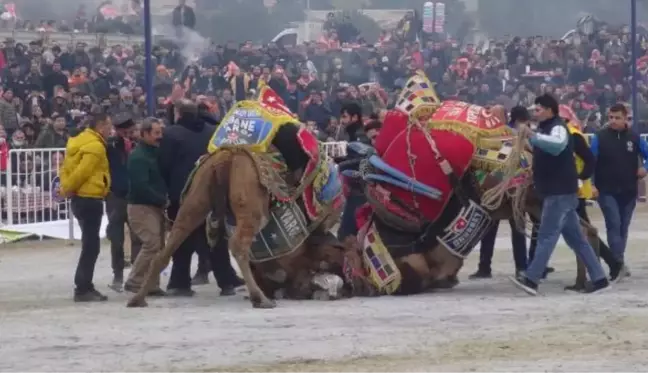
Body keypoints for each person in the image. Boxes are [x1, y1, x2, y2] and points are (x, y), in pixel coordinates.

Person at [510, 94, 609, 295]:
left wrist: (532, 136)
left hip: (559, 192)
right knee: (577, 240)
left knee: (546, 236)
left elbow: (556, 146)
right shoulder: (548, 128)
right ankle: (600, 279)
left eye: (538, 109)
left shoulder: (557, 128)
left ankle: (532, 279)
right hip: (560, 191)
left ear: (549, 110)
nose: (535, 113)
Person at [158, 100, 239, 296]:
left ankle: (180, 282)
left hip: (182, 194)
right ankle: (226, 281)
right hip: (213, 193)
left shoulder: (171, 134)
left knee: (182, 239)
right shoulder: (212, 132)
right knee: (215, 239)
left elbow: (164, 165)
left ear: (178, 113)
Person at [470, 106, 530, 279]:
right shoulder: (483, 137)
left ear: (504, 116)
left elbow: (525, 155)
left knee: (518, 228)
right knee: (488, 230)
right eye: (490, 114)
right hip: (491, 191)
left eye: (496, 115)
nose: (493, 118)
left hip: (514, 189)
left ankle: (521, 267)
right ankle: (484, 267)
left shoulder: (513, 134)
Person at [590, 103, 648, 281]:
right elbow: (591, 162)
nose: (613, 121)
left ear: (626, 118)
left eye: (617, 118)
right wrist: (591, 184)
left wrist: (645, 167)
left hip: (629, 190)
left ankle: (618, 262)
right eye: (611, 118)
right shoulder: (599, 137)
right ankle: (617, 265)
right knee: (613, 225)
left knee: (623, 228)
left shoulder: (635, 137)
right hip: (606, 190)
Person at [59, 112, 113, 302]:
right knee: (91, 246)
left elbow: (65, 168)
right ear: (100, 126)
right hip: (90, 198)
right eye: (108, 126)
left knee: (90, 245)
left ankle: (85, 286)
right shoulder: (96, 146)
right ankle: (83, 287)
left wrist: (67, 187)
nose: (110, 130)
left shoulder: (76, 143)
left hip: (79, 199)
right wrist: (67, 188)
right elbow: (82, 172)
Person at [124, 118, 167, 296]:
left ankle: (151, 283)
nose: (160, 137)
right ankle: (135, 280)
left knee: (158, 246)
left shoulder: (154, 153)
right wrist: (161, 199)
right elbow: (141, 186)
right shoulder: (138, 157)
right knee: (152, 244)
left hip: (153, 205)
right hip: (141, 207)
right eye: (156, 133)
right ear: (144, 134)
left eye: (160, 132)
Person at [105, 113, 142, 291]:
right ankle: (118, 274)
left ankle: (136, 274)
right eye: (124, 130)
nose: (127, 133)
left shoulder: (139, 144)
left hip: (134, 194)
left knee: (138, 235)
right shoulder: (110, 146)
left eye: (130, 129)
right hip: (116, 195)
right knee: (116, 236)